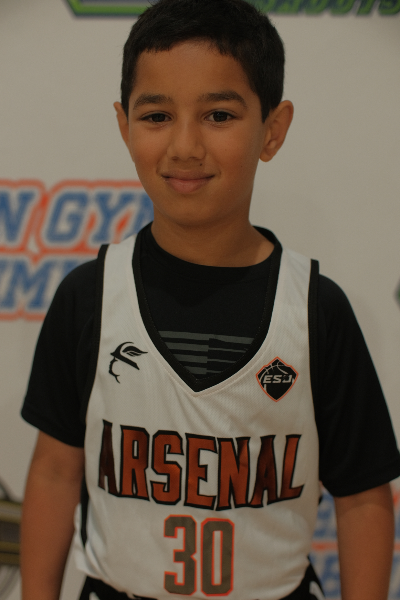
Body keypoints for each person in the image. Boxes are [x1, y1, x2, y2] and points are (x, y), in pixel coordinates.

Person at [20, 0, 400, 599]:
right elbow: (54, 471)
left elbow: (362, 499)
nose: (185, 145)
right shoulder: (88, 296)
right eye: (157, 116)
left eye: (219, 115)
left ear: (272, 129)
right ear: (123, 126)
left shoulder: (315, 311)